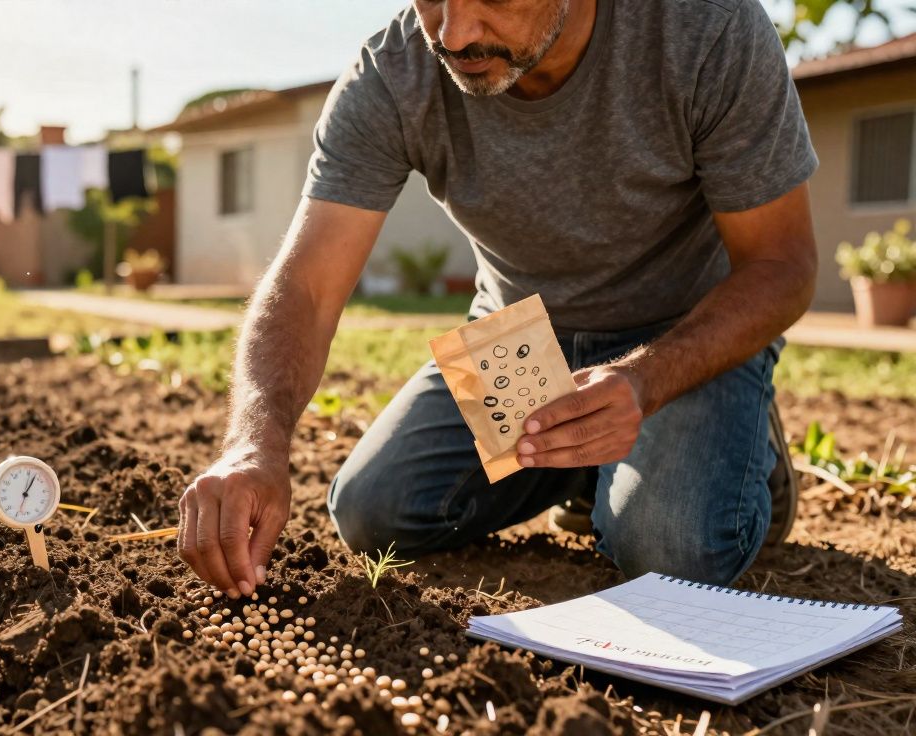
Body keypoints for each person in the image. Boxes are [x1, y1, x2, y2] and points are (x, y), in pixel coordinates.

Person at [176, 0, 818, 599]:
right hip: (520, 336)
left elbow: (782, 264)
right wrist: (252, 444)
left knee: (665, 549)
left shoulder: (708, 29)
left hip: (684, 338)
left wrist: (644, 380)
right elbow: (307, 287)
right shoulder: (394, 72)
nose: (454, 36)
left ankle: (750, 454)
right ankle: (587, 468)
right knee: (375, 513)